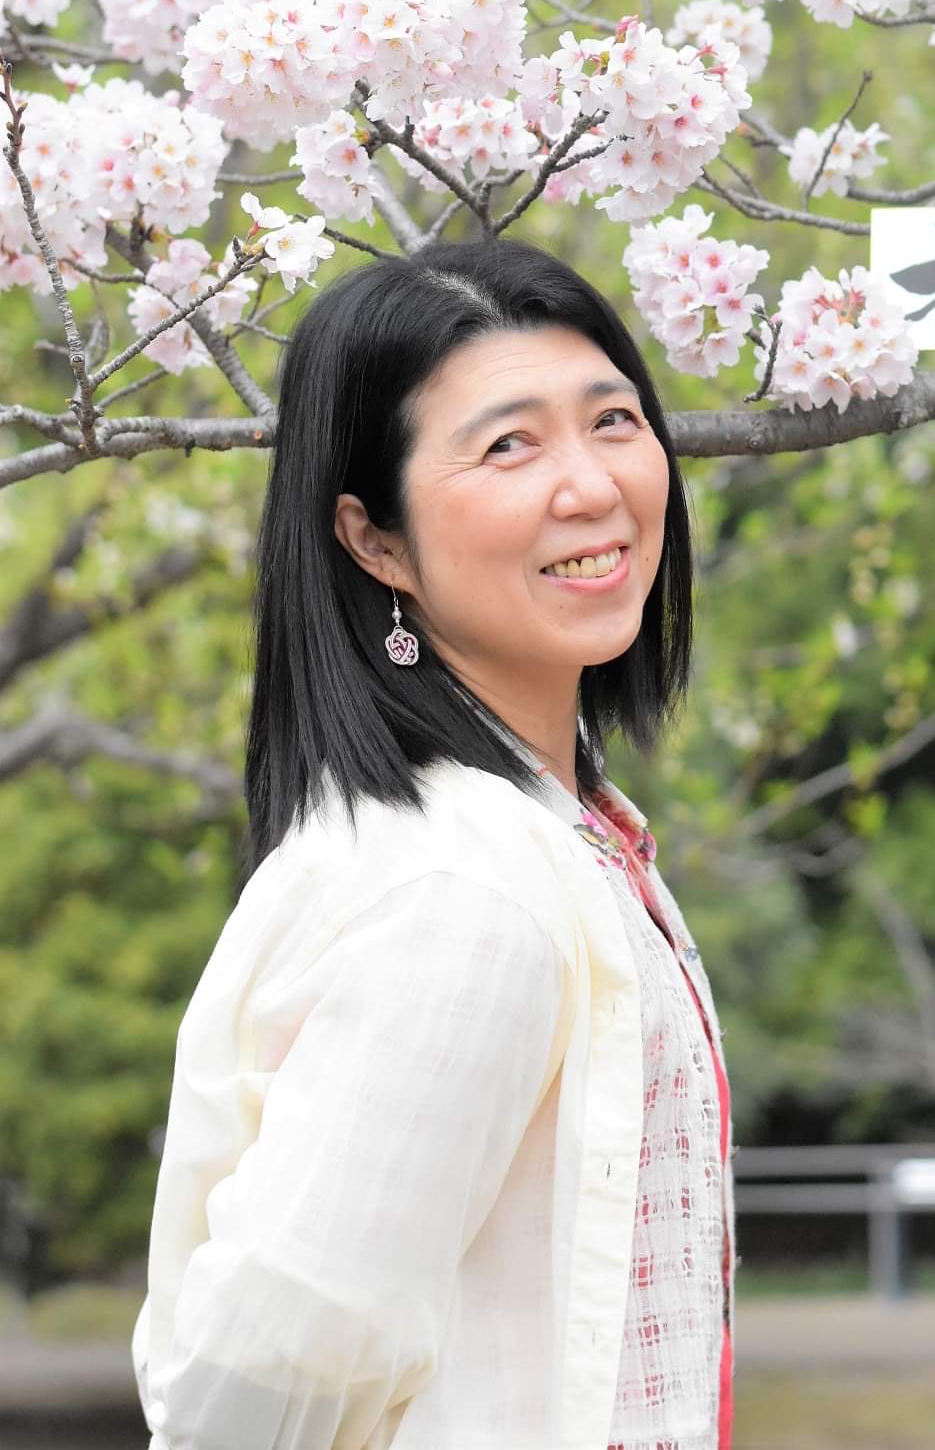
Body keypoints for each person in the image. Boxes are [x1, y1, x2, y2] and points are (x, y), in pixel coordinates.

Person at [130, 233, 737, 1450]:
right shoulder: (466, 892)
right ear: (375, 539)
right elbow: (268, 1367)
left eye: (612, 420)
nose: (591, 485)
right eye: (508, 444)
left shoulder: (558, 839)